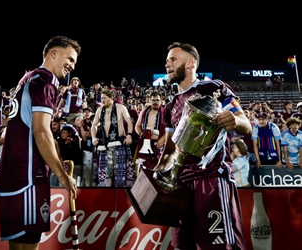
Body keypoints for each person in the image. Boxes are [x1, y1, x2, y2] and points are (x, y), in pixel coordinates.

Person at [153, 42, 251, 249]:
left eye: (173, 59)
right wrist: (157, 173)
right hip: (180, 187)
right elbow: (170, 150)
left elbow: (246, 125)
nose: (167, 63)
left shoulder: (213, 88)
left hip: (211, 179)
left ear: (190, 63)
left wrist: (234, 121)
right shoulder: (170, 107)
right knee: (182, 246)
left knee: (218, 246)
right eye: (167, 60)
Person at [0, 36, 79, 250]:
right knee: (28, 244)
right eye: (69, 58)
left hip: (14, 176)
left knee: (19, 244)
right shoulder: (46, 80)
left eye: (75, 62)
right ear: (53, 54)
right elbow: (42, 132)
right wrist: (62, 176)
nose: (72, 65)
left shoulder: (28, 78)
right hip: (28, 177)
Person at [91, 89, 135, 187]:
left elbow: (129, 122)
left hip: (119, 143)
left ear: (111, 98)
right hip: (104, 145)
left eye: (105, 98)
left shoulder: (121, 108)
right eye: (101, 98)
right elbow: (94, 125)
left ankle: (120, 197)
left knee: (120, 173)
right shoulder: (99, 110)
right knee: (105, 174)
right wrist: (94, 138)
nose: (102, 100)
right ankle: (106, 196)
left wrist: (129, 135)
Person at [135, 91, 165, 171]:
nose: (155, 102)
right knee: (143, 168)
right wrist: (141, 133)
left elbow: (170, 129)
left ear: (161, 101)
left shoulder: (165, 113)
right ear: (150, 101)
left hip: (159, 145)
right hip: (145, 143)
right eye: (153, 100)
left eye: (157, 100)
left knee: (158, 169)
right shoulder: (143, 112)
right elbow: (137, 126)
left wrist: (163, 139)